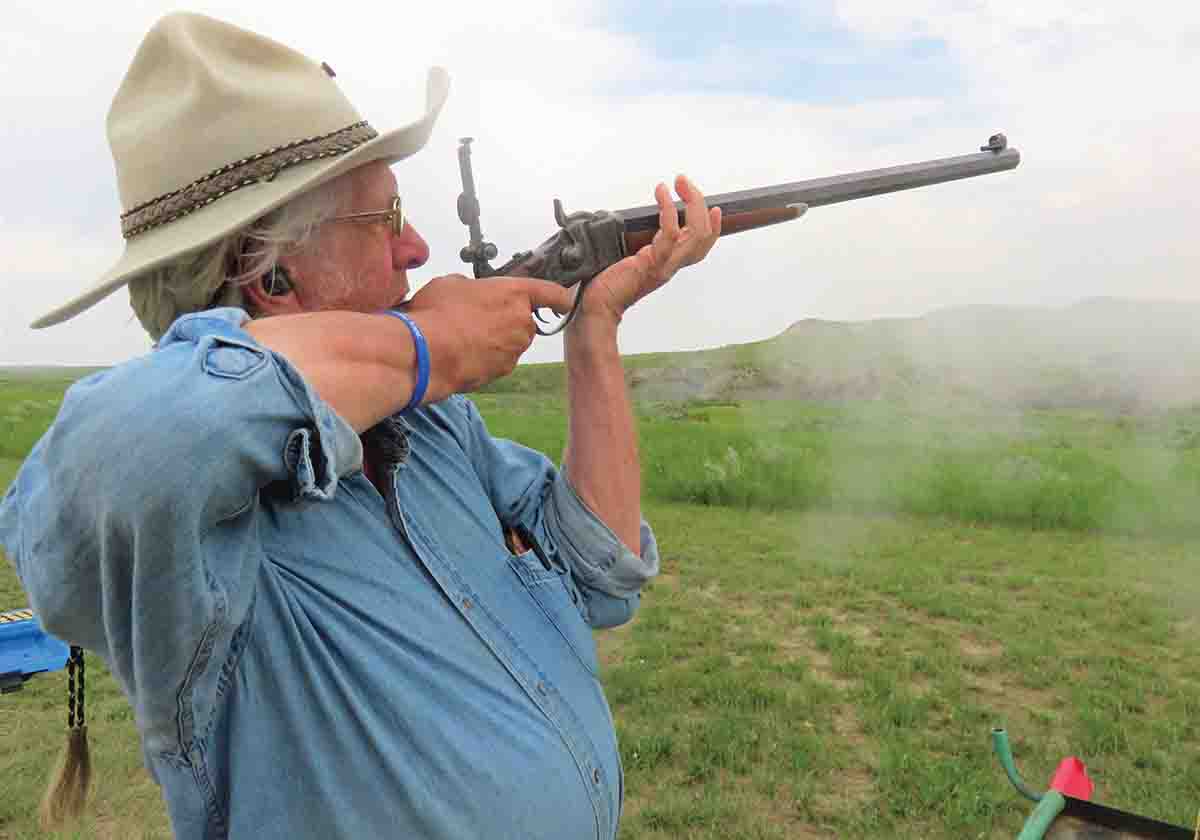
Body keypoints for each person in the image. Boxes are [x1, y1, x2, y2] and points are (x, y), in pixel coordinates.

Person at [0, 12, 721, 840]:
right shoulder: (193, 520)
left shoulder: (432, 428)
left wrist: (593, 333)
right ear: (268, 273)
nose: (417, 248)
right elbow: (123, 450)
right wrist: (431, 344)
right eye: (382, 219)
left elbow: (599, 576)